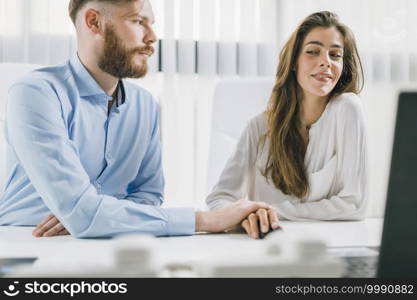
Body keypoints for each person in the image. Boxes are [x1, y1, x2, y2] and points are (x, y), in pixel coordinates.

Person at [0, 0, 279, 238]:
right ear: (94, 22)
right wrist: (207, 220)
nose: (152, 37)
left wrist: (93, 214)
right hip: (28, 241)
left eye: (151, 23)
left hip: (113, 241)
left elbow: (147, 196)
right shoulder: (36, 93)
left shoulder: (145, 105)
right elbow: (82, 213)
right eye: (138, 22)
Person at [207, 11, 368, 239]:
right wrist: (245, 216)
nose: (326, 62)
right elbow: (219, 198)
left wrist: (268, 211)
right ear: (294, 62)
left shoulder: (347, 109)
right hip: (268, 245)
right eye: (313, 52)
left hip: (330, 244)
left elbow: (354, 204)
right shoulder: (259, 127)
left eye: (335, 55)